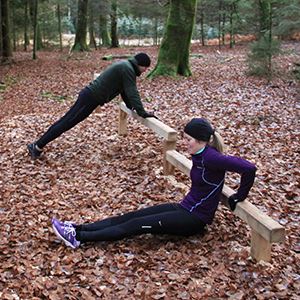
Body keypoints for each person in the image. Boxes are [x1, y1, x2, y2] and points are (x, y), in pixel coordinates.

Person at [51, 118, 257, 249]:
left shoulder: (213, 158)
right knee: (131, 216)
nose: (185, 143)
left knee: (134, 226)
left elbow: (249, 168)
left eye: (188, 140)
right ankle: (77, 229)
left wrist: (240, 195)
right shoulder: (199, 153)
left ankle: (79, 239)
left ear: (202, 140)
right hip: (184, 208)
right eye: (184, 138)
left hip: (193, 219)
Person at [27, 52, 156, 159]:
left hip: (91, 98)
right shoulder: (127, 69)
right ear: (140, 64)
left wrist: (131, 107)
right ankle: (37, 146)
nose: (145, 71)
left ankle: (37, 146)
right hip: (90, 97)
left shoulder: (126, 67)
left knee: (67, 122)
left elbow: (124, 91)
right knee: (66, 122)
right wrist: (142, 112)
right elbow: (132, 91)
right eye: (145, 67)